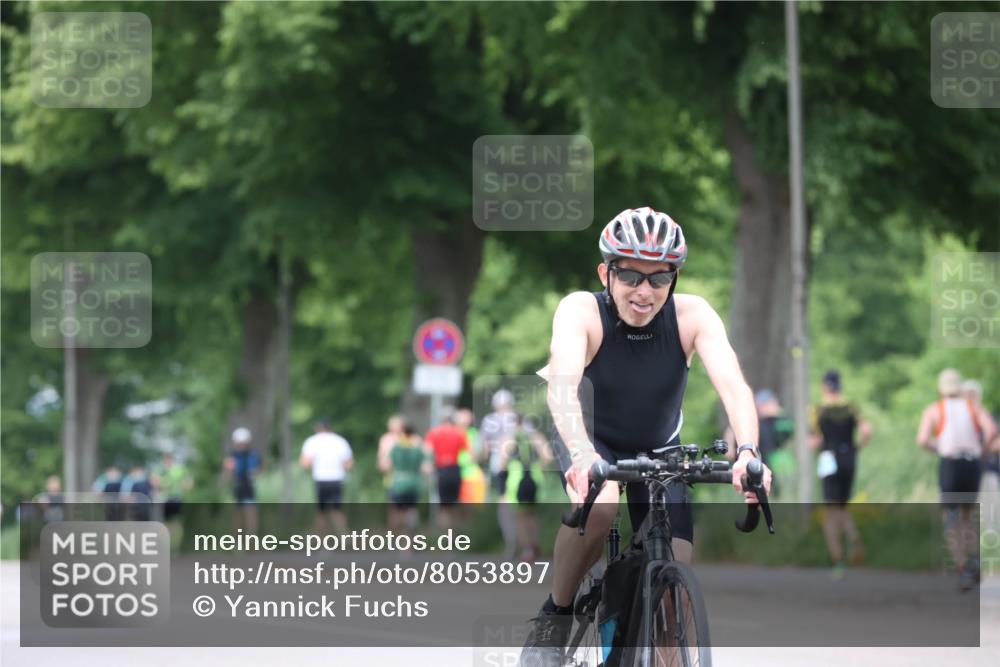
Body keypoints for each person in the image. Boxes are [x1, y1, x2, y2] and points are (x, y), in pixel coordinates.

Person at [520, 207, 771, 667]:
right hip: (591, 441)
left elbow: (734, 386)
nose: (644, 291)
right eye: (631, 275)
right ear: (605, 272)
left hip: (659, 449)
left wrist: (750, 452)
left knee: (674, 574)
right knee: (603, 506)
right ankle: (553, 616)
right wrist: (581, 453)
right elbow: (562, 388)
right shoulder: (582, 310)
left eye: (659, 279)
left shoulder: (692, 315)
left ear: (674, 278)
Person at [917, 369, 998, 590]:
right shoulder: (973, 407)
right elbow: (991, 429)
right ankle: (974, 559)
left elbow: (922, 439)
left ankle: (963, 567)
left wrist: (939, 447)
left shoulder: (935, 409)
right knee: (967, 515)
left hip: (951, 464)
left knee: (950, 518)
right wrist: (981, 450)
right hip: (972, 464)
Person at [809, 369, 872, 580]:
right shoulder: (851, 407)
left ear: (825, 386)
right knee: (842, 506)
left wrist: (814, 446)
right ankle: (853, 537)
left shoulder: (818, 410)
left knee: (830, 511)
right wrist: (857, 447)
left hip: (829, 458)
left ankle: (838, 560)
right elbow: (866, 430)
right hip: (849, 457)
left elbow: (815, 440)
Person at [497, 414, 554, 562]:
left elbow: (501, 465)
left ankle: (527, 550)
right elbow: (548, 457)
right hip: (535, 478)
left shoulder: (509, 438)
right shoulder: (536, 436)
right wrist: (537, 467)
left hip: (516, 480)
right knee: (531, 514)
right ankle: (534, 541)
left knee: (520, 517)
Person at [480, 389, 520, 555]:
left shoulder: (490, 420)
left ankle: (511, 543)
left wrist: (483, 463)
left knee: (504, 504)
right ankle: (525, 542)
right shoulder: (520, 419)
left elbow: (485, 447)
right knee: (523, 507)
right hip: (521, 466)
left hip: (500, 464)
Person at [300, 419, 354, 535]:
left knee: (321, 512)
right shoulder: (340, 441)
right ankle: (344, 536)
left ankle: (323, 542)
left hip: (321, 479)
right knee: (337, 510)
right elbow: (349, 464)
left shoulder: (312, 441)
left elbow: (305, 463)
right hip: (337, 478)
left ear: (317, 429)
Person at [424, 409, 469, 530]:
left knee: (444, 508)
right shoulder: (459, 433)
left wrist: (429, 465)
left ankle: (445, 538)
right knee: (455, 505)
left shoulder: (434, 432)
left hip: (441, 471)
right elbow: (468, 453)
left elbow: (427, 452)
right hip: (455, 470)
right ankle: (454, 537)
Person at [383, 421, 430, 535]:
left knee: (397, 512)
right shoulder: (418, 448)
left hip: (398, 483)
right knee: (411, 511)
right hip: (413, 483)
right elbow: (426, 468)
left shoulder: (396, 448)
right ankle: (410, 542)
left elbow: (386, 466)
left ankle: (398, 539)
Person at [152, 452, 193, 550]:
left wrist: (184, 486)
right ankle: (164, 544)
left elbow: (189, 482)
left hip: (177, 498)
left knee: (177, 521)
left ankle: (176, 544)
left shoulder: (179, 469)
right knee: (163, 522)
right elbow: (154, 481)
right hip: (164, 498)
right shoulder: (159, 469)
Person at [223, 427, 261, 533]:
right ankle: (237, 541)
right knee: (237, 516)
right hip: (238, 488)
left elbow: (258, 470)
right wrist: (228, 470)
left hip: (249, 487)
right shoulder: (233, 456)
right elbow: (228, 474)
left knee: (251, 515)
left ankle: (251, 540)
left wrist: (255, 472)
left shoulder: (253, 455)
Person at [376, 414, 406, 498]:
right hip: (390, 476)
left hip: (404, 477)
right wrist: (382, 464)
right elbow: (381, 456)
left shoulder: (407, 438)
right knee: (393, 501)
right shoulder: (386, 439)